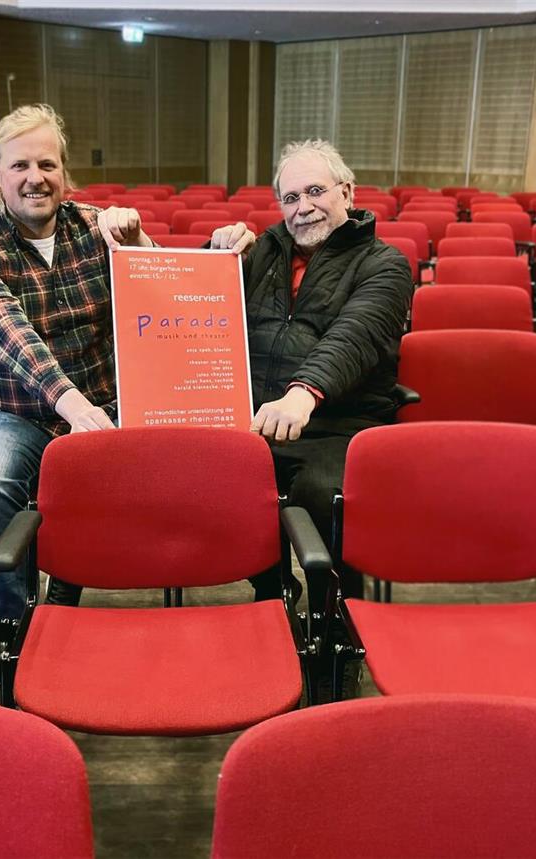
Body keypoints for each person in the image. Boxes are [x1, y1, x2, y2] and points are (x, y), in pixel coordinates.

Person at [0, 104, 152, 620]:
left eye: (47, 164)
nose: (34, 178)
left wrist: (140, 245)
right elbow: (8, 330)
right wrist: (73, 406)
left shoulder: (97, 227)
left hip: (110, 402)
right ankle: (13, 624)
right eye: (19, 165)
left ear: (64, 173)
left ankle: (73, 573)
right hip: (20, 413)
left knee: (202, 456)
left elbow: (160, 303)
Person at [211, 139, 413, 618]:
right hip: (255, 420)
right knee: (209, 481)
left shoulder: (385, 264)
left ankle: (337, 610)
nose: (303, 208)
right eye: (290, 198)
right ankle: (272, 588)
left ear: (347, 192)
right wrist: (216, 253)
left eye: (315, 191)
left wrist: (303, 394)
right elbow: (191, 301)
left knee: (326, 494)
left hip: (336, 424)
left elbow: (353, 336)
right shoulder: (261, 253)